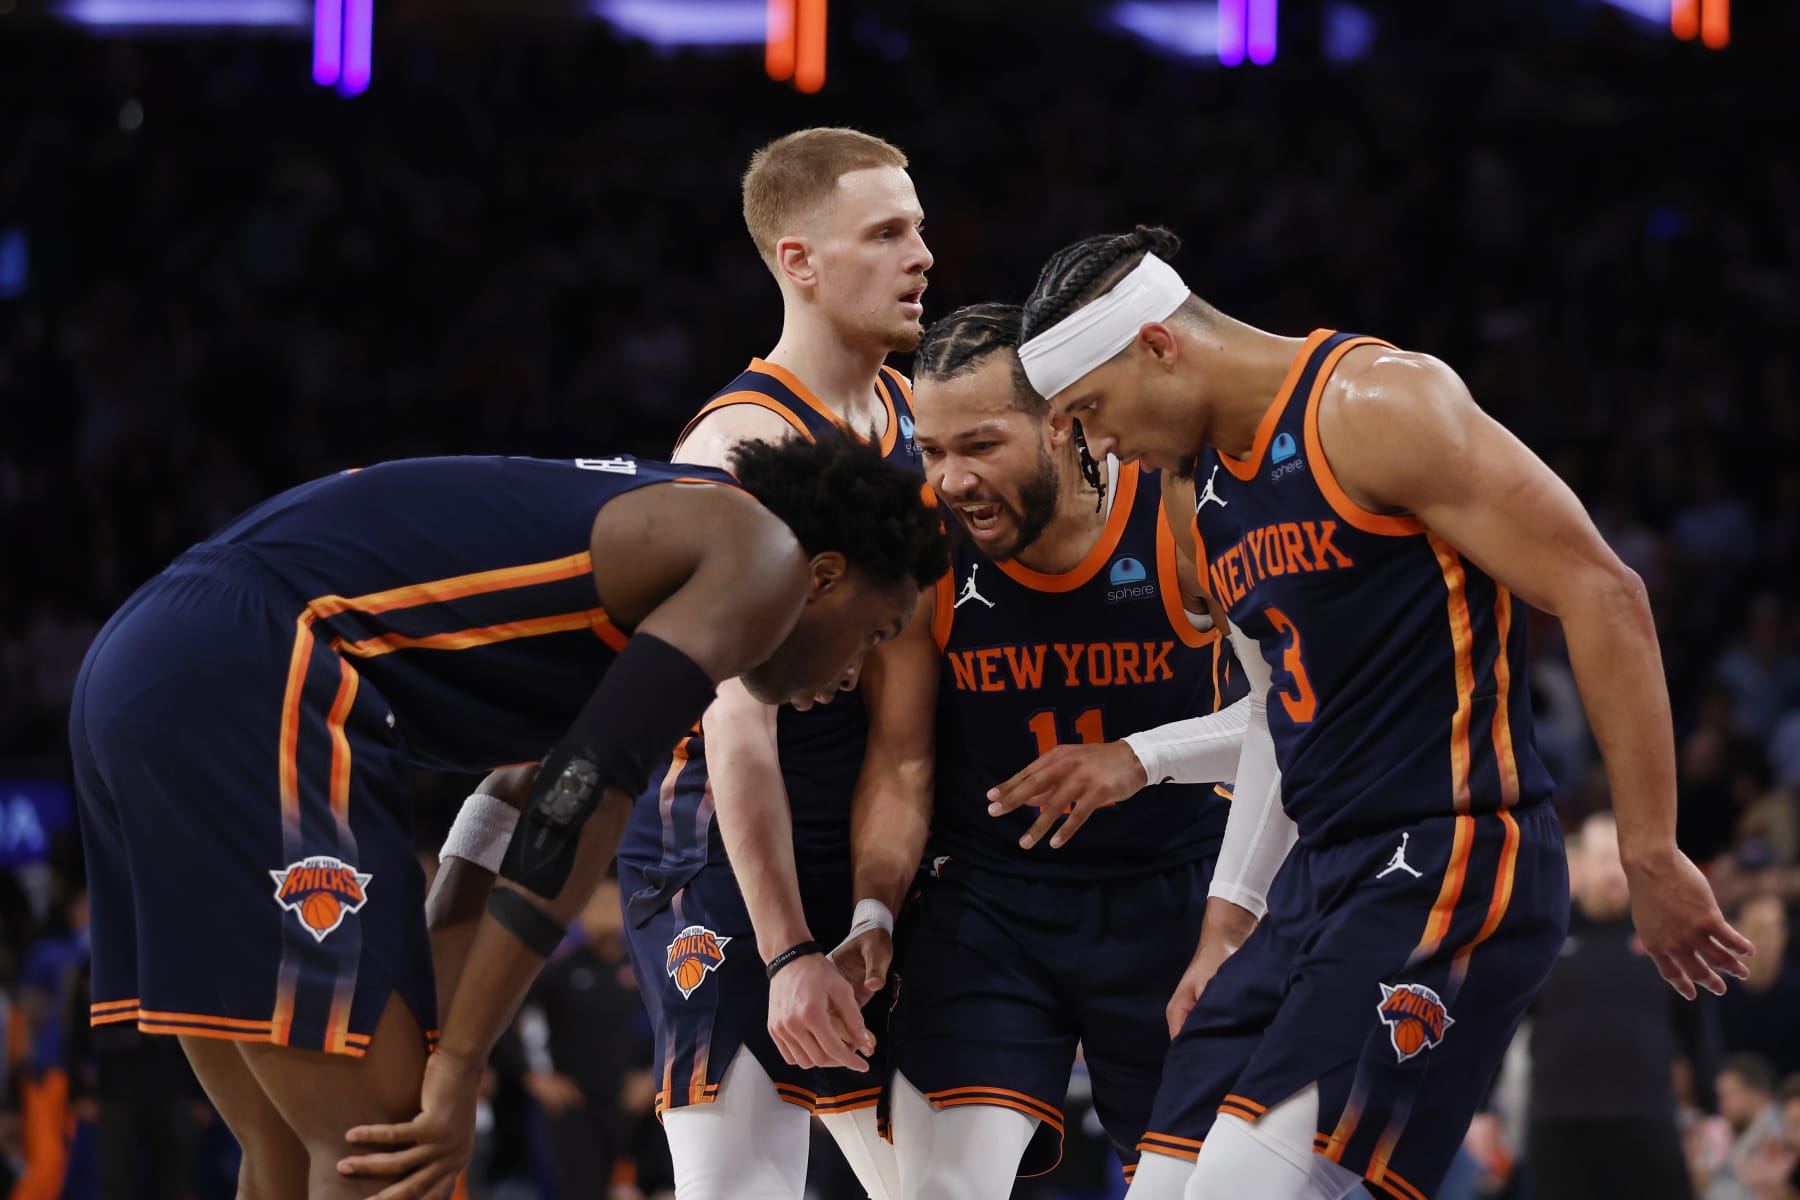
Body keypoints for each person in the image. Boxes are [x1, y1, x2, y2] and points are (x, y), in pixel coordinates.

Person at [1010, 224, 1752, 1200]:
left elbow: (1602, 591)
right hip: (1318, 883)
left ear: (1160, 345)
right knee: (1159, 1186)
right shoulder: (1206, 498)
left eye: (1092, 411)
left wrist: (1651, 850)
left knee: (1249, 1191)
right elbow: (1281, 716)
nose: (1096, 447)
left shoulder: (1374, 404)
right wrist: (1228, 924)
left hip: (1449, 853)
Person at [70, 436, 946, 1200]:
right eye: (880, 630)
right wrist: (455, 1068)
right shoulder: (763, 558)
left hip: (142, 661)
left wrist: (442, 1033)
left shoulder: (663, 552)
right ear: (825, 576)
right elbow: (583, 796)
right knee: (388, 1153)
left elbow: (507, 799)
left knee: (291, 1142)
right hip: (255, 666)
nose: (857, 672)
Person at [831, 303, 1249, 1199]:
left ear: (1064, 425)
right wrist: (871, 912)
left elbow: (1296, 723)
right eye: (932, 451)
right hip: (993, 905)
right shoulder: (924, 547)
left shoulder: (1178, 509)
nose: (949, 480)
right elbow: (902, 764)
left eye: (979, 446)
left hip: (1171, 896)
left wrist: (1140, 755)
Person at [611, 126, 932, 1200]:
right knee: (740, 1186)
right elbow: (735, 723)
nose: (920, 255)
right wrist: (789, 949)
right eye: (884, 234)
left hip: (843, 834)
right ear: (798, 261)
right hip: (717, 842)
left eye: (919, 230)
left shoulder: (903, 418)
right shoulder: (739, 449)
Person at [1525, 812, 1712, 1200]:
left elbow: (1699, 1031)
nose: (1613, 871)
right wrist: (1483, 1110)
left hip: (1647, 1116)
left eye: (1620, 860)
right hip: (1559, 1121)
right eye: (1603, 859)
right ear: (1579, 864)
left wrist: (1712, 1112)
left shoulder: (1663, 934)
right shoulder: (1544, 933)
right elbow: (1499, 1024)